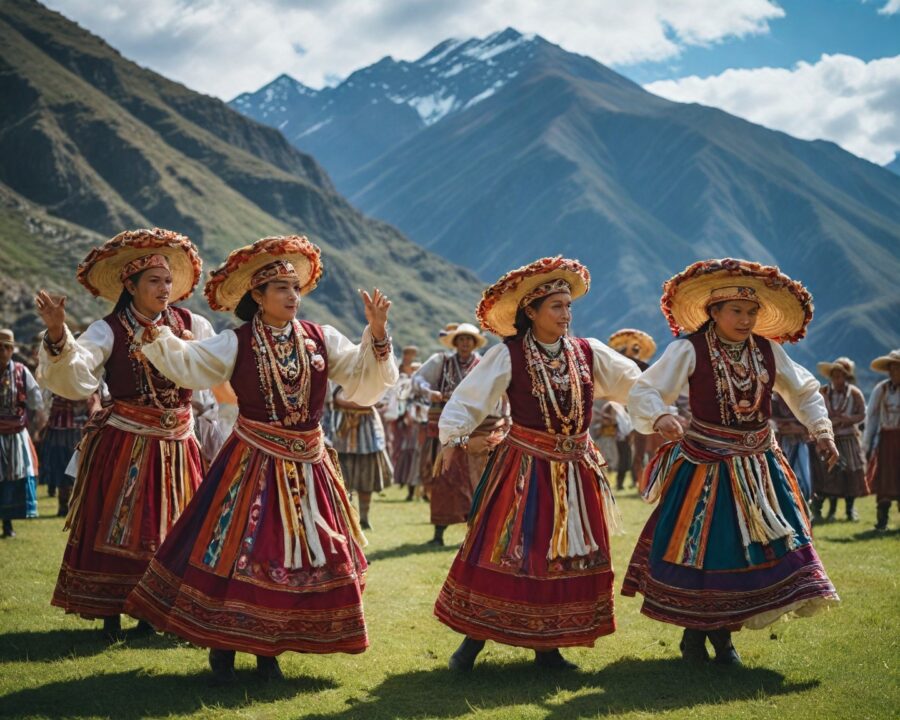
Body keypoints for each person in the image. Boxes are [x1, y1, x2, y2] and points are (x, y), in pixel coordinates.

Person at [123, 235, 397, 683]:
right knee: (242, 553)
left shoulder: (320, 338)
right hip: (251, 464)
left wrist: (378, 332)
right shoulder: (236, 342)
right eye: (281, 289)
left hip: (309, 465)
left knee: (301, 559)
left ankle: (270, 648)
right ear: (257, 297)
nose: (292, 297)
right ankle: (226, 644)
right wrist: (158, 332)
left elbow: (363, 380)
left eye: (295, 289)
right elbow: (191, 364)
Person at [623, 258, 840, 666]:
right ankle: (707, 639)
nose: (745, 319)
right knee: (713, 551)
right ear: (714, 313)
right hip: (707, 465)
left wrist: (822, 430)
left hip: (760, 465)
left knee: (758, 550)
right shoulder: (688, 349)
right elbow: (646, 389)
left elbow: (805, 391)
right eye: (736, 311)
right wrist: (662, 416)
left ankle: (719, 639)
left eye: (751, 312)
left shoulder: (767, 350)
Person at [434, 257, 640, 671]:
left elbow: (633, 383)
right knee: (508, 549)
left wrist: (661, 412)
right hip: (524, 470)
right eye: (556, 307)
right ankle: (471, 644)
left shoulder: (587, 352)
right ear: (531, 312)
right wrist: (454, 437)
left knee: (560, 557)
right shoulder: (507, 355)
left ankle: (549, 648)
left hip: (577, 472)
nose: (566, 315)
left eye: (569, 307)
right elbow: (469, 397)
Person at [35, 228, 209, 639]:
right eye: (153, 281)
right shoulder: (108, 329)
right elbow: (77, 376)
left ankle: (160, 611)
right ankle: (110, 609)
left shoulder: (192, 323)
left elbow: (213, 366)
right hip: (126, 443)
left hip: (180, 444)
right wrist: (59, 335)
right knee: (118, 525)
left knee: (177, 527)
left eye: (168, 280)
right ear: (130, 287)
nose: (164, 288)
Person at [415, 323, 505, 546]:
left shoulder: (484, 365)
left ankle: (476, 534)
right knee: (445, 479)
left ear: (475, 343)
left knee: (478, 481)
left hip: (478, 430)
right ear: (455, 342)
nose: (465, 343)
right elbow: (418, 379)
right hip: (448, 430)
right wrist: (430, 392)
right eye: (461, 339)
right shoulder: (440, 361)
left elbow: (497, 390)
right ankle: (438, 534)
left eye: (469, 340)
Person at [811, 357, 867, 522]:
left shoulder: (855, 393)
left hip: (849, 439)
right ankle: (825, 512)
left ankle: (850, 510)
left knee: (850, 472)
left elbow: (862, 414)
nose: (837, 379)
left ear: (846, 377)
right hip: (829, 438)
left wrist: (847, 419)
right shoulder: (823, 392)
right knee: (828, 473)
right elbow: (815, 411)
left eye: (840, 375)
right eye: (834, 375)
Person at [332, 384, 394, 530]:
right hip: (342, 433)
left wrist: (365, 401)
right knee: (342, 480)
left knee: (367, 480)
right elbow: (335, 397)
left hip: (368, 435)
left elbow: (381, 399)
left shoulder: (374, 376)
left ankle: (364, 519)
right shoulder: (340, 373)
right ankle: (346, 518)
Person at [0, 329, 43, 537]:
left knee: (12, 479)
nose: (2, 351)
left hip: (16, 435)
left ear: (11, 350)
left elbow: (36, 401)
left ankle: (8, 524)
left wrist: (33, 428)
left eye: (5, 348)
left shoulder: (21, 371)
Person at [609, 328, 662, 487]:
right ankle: (639, 482)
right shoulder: (619, 370)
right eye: (626, 348)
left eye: (636, 348)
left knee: (649, 452)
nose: (632, 351)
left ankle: (647, 483)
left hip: (646, 414)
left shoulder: (646, 368)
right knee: (635, 453)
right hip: (626, 415)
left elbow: (654, 390)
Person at [863, 349, 900, 531]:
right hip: (886, 441)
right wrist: (867, 445)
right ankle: (882, 521)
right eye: (892, 368)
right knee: (885, 480)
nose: (895, 372)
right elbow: (872, 417)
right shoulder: (882, 389)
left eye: (898, 368)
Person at [771, 392, 813, 501]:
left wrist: (793, 427)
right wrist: (790, 425)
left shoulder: (799, 401)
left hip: (800, 442)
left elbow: (806, 421)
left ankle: (804, 503)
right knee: (782, 474)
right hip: (780, 443)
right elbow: (772, 422)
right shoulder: (774, 402)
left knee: (803, 475)